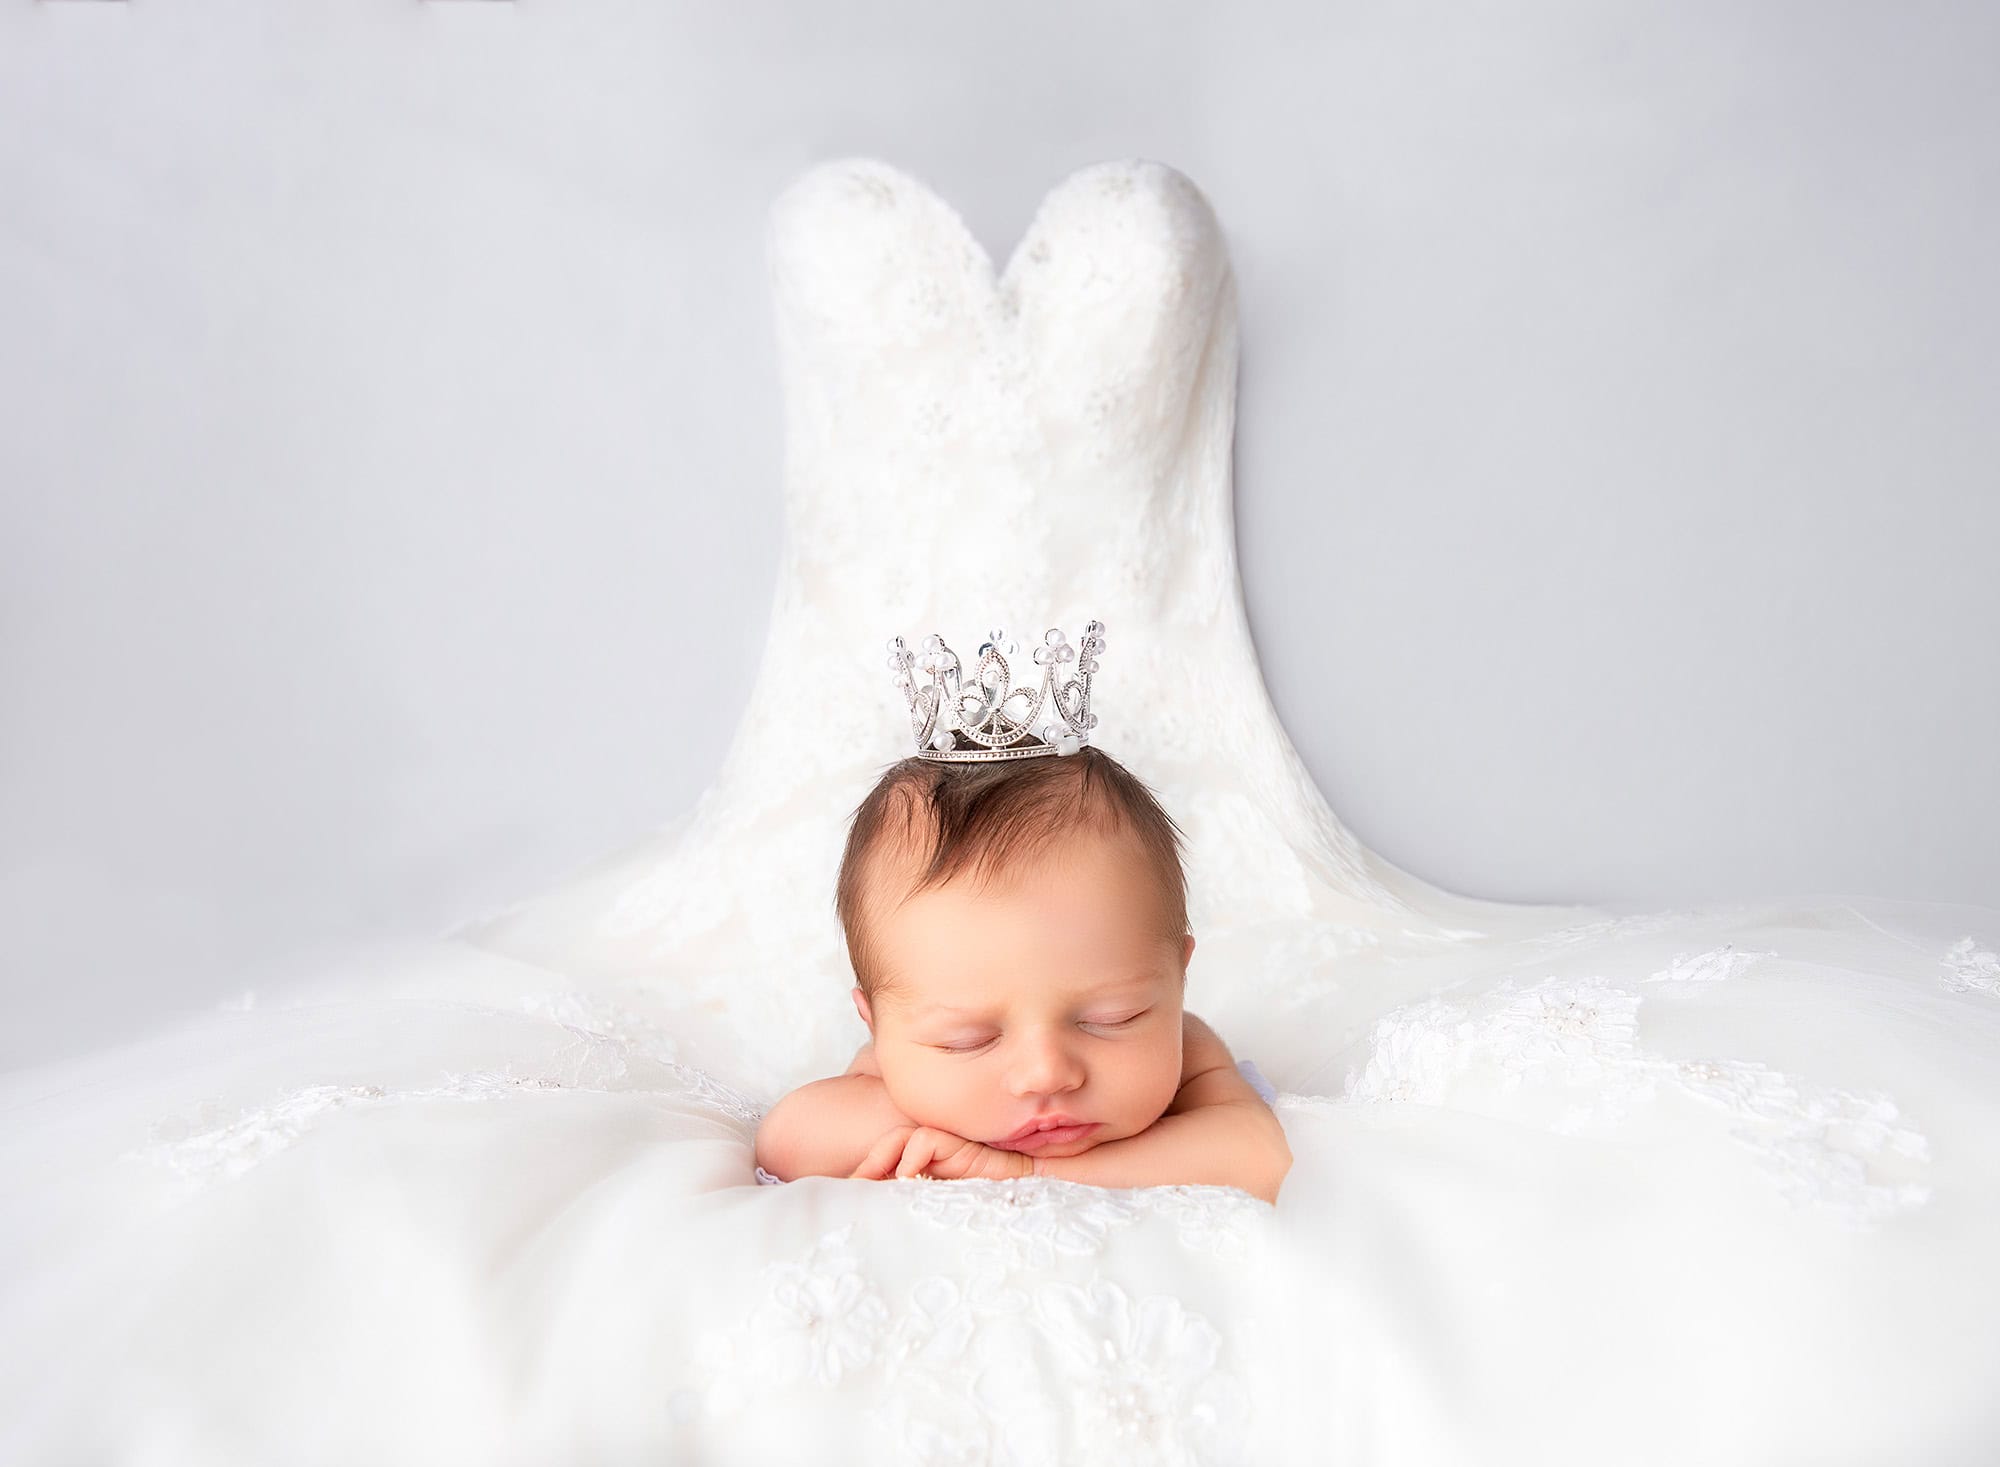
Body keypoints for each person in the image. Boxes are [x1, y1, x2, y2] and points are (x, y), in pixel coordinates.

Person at [753, 744, 1293, 1204]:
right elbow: (787, 1142)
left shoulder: (1188, 1054)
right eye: (969, 1041)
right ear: (877, 1027)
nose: (1046, 1073)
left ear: (1178, 979)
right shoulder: (899, 1076)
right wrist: (926, 1128)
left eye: (1113, 1018)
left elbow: (1258, 1156)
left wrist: (1024, 1174)